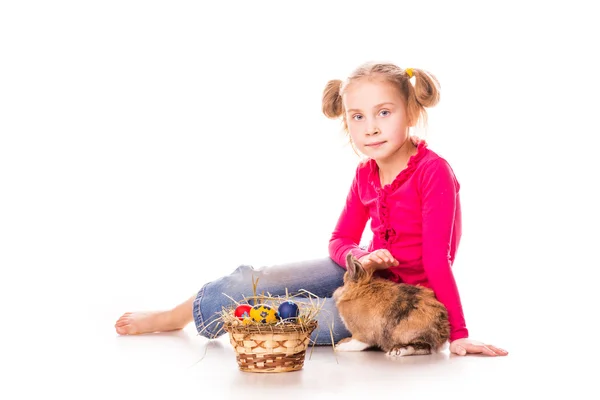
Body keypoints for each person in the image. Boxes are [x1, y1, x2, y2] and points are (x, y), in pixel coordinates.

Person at [115, 61, 508, 357]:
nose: (370, 127)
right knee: (251, 281)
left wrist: (458, 333)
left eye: (383, 113)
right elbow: (340, 239)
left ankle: (362, 334)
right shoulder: (365, 174)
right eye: (358, 117)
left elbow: (436, 259)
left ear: (411, 111)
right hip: (360, 274)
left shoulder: (432, 172)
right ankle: (177, 315)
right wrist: (361, 257)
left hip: (399, 302)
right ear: (347, 122)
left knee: (280, 315)